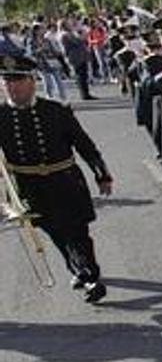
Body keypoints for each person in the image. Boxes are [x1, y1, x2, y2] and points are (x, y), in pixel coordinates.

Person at [0, 53, 112, 302]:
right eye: (7, 82)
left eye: (18, 81)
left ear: (32, 81)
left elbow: (84, 145)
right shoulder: (1, 116)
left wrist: (101, 174)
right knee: (56, 232)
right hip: (29, 187)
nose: (12, 87)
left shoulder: (56, 110)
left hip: (65, 180)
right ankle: (77, 268)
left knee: (77, 232)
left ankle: (90, 276)